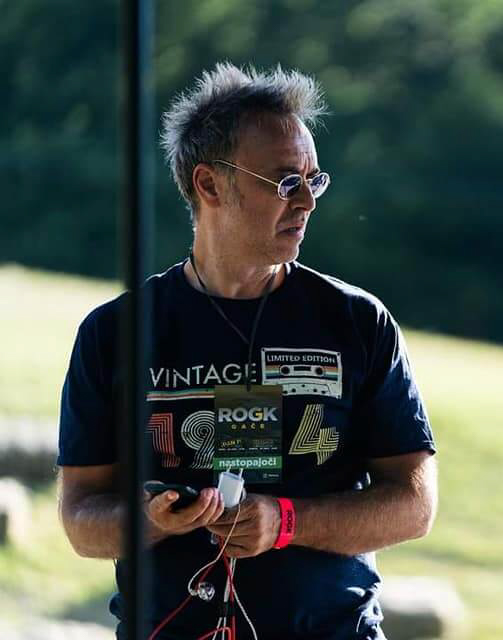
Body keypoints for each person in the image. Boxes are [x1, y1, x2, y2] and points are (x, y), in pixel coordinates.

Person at [57, 62, 438, 640]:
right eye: (285, 182)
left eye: (314, 180)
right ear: (209, 185)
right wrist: (149, 520)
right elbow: (81, 519)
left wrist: (286, 522)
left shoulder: (356, 322)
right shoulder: (115, 333)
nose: (307, 202)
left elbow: (414, 505)